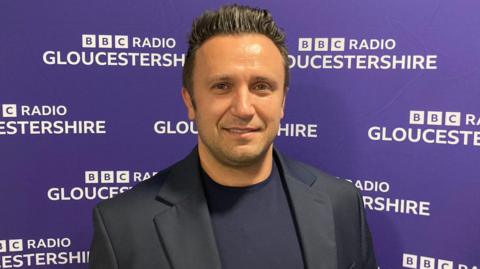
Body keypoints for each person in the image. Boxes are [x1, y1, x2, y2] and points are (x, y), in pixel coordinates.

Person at [89, 4, 377, 269]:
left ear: (282, 102)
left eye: (261, 86)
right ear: (190, 102)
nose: (243, 108)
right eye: (222, 86)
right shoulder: (122, 226)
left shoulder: (342, 204)